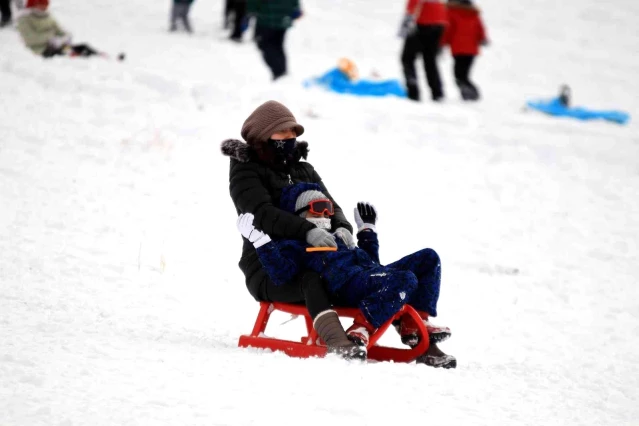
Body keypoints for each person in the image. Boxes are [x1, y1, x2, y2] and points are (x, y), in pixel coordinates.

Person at [236, 183, 457, 368]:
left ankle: (415, 324)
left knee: (428, 258)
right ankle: (361, 328)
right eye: (319, 207)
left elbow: (371, 264)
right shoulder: (294, 244)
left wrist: (367, 232)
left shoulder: (338, 236)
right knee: (405, 279)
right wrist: (260, 242)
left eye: (328, 209)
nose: (325, 214)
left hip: (365, 277)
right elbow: (282, 274)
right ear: (300, 212)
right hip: (343, 286)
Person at [220, 100, 365, 360]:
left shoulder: (303, 169)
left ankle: (411, 335)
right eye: (283, 132)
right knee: (311, 280)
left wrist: (343, 227)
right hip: (270, 266)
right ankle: (337, 340)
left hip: (317, 257)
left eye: (293, 133)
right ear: (263, 136)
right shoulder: (246, 169)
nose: (290, 138)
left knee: (360, 271)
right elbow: (260, 214)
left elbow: (331, 205)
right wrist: (307, 231)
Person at [16, 0, 103, 58]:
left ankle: (101, 58)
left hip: (57, 46)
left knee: (83, 47)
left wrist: (66, 36)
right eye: (41, 5)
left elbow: (59, 29)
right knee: (71, 55)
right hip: (40, 50)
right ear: (34, 5)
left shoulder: (47, 16)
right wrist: (50, 38)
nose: (44, 8)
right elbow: (30, 39)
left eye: (45, 5)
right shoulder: (24, 19)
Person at [399, 0, 448, 102]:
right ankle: (437, 93)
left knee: (407, 58)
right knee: (430, 61)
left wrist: (407, 22)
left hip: (422, 23)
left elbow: (414, 3)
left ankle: (413, 92)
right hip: (439, 22)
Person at [441, 0, 488, 101]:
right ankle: (470, 94)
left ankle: (471, 94)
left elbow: (448, 30)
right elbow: (480, 28)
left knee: (459, 75)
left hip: (458, 49)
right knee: (464, 74)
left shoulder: (451, 12)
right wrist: (483, 39)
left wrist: (442, 43)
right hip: (472, 50)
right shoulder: (473, 12)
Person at [247, 0, 302, 80]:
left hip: (267, 17)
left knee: (266, 45)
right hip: (283, 16)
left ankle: (279, 73)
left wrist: (251, 10)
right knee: (277, 45)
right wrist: (295, 8)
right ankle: (282, 73)